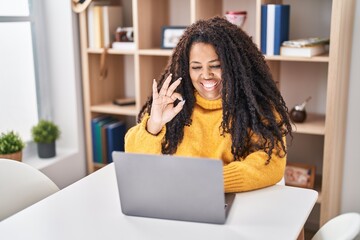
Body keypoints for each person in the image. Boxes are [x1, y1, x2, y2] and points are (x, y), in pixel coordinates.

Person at [125, 16, 292, 193]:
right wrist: (154, 125)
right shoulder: (172, 103)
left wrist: (208, 182)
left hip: (229, 200)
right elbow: (136, 163)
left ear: (235, 65)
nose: (206, 75)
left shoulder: (257, 107)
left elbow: (271, 164)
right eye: (196, 67)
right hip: (174, 198)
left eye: (216, 65)